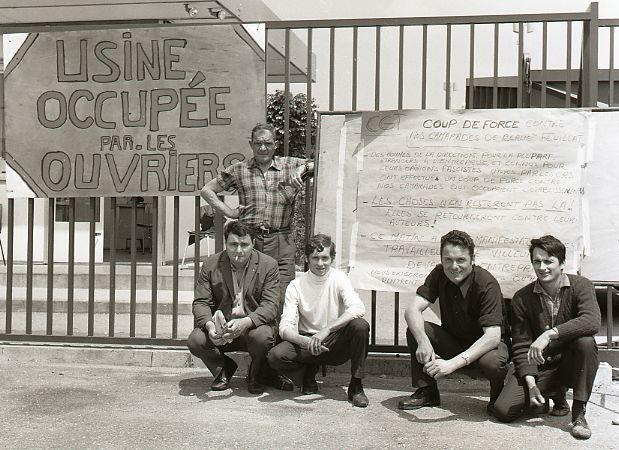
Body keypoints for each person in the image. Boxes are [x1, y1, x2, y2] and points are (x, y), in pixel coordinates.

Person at [493, 235, 601, 440]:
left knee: (586, 342)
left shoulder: (581, 285)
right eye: (536, 261)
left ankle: (578, 415)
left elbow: (592, 321)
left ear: (562, 263)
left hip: (570, 362)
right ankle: (552, 393)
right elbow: (521, 345)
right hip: (542, 367)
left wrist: (549, 334)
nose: (542, 267)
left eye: (548, 261)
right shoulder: (522, 297)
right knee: (503, 410)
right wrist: (531, 384)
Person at [200, 122, 314, 304]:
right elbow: (207, 190)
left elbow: (320, 162)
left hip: (281, 241)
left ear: (275, 144)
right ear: (251, 144)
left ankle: (278, 332)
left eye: (268, 143)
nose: (263, 148)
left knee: (283, 295)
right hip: (248, 242)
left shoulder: (289, 165)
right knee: (248, 293)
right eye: (258, 143)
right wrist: (229, 211)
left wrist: (303, 169)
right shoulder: (239, 170)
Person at [397, 230, 509, 414]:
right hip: (455, 341)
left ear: (473, 259)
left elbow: (493, 336)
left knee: (493, 362)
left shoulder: (486, 283)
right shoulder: (439, 273)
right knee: (417, 329)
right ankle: (428, 391)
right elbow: (412, 310)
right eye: (448, 259)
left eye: (461, 260)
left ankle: (497, 394)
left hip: (486, 348)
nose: (454, 266)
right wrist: (423, 341)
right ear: (441, 259)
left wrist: (451, 365)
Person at [186, 220, 292, 394]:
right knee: (195, 340)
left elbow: (270, 305)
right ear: (225, 243)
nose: (239, 251)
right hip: (223, 329)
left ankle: (256, 373)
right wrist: (210, 326)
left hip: (251, 327)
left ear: (253, 243)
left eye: (244, 245)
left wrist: (246, 322)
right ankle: (223, 369)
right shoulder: (211, 265)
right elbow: (201, 302)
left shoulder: (269, 265)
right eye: (233, 244)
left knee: (263, 337)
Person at [267, 234, 370, 407]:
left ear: (332, 258)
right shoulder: (296, 285)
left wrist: (327, 330)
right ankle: (306, 373)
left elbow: (358, 307)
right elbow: (285, 327)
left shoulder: (339, 278)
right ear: (307, 258)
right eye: (315, 258)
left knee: (360, 326)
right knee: (275, 356)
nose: (320, 264)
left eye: (325, 258)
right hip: (307, 341)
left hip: (333, 341)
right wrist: (305, 341)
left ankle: (356, 385)